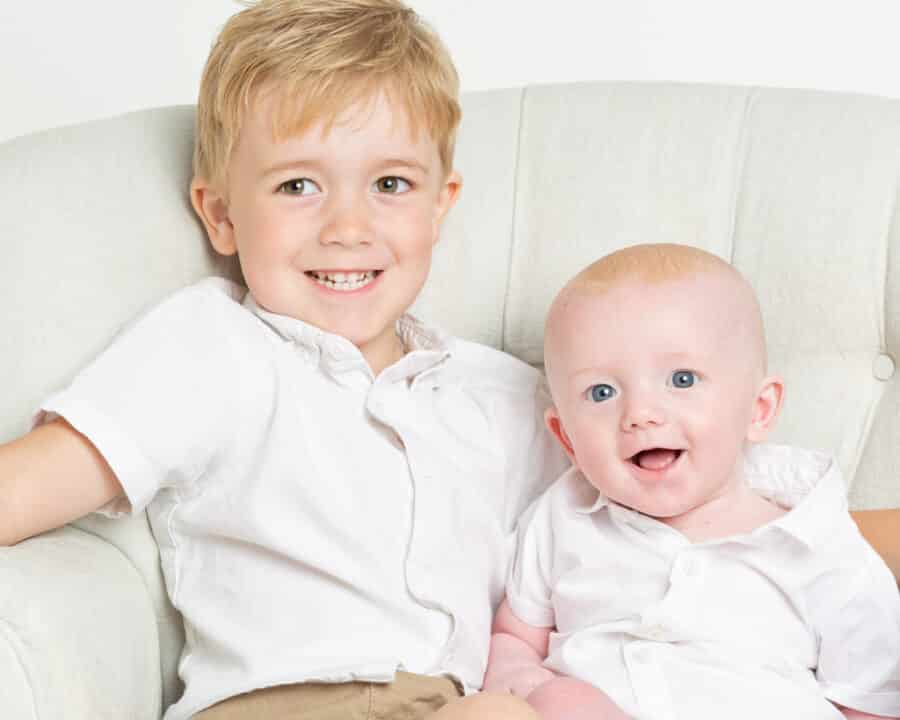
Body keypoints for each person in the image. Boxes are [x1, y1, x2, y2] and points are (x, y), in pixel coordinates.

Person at [0, 2, 566, 719]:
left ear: (439, 206)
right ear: (222, 216)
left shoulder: (506, 395)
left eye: (390, 185)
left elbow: (631, 523)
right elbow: (22, 487)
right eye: (299, 185)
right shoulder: (216, 347)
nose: (348, 229)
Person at [482, 243, 900, 720]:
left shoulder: (818, 544)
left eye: (682, 380)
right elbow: (516, 637)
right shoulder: (562, 517)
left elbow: (870, 699)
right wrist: (534, 689)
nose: (640, 413)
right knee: (560, 701)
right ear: (568, 439)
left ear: (758, 410)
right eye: (602, 392)